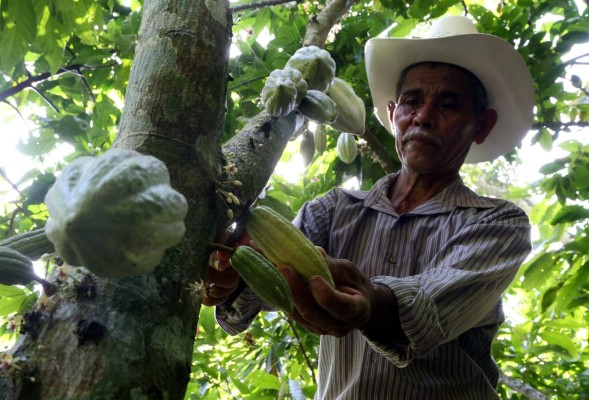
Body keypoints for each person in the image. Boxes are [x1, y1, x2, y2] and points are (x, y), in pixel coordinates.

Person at [203, 14, 535, 399]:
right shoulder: (332, 210)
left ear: (482, 125)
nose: (424, 117)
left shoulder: (498, 223)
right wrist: (229, 274)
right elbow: (253, 288)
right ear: (394, 115)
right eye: (412, 101)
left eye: (448, 104)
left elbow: (431, 306)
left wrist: (369, 304)